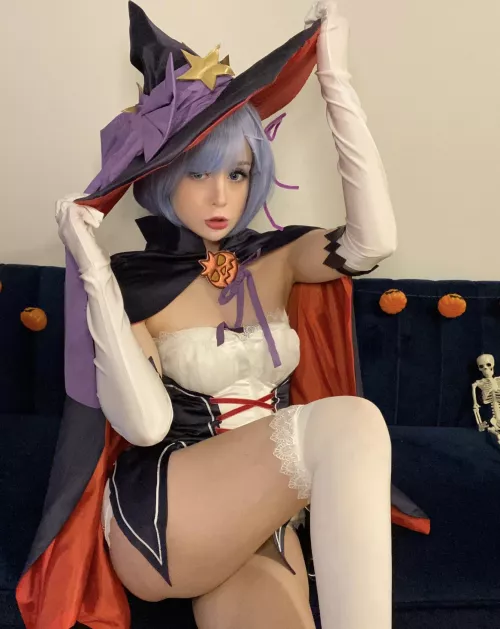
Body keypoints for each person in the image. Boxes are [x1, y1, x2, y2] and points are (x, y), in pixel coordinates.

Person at [17, 2, 408, 628]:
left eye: (238, 172)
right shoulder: (133, 283)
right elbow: (144, 424)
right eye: (198, 172)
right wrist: (92, 270)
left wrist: (334, 77)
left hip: (260, 516)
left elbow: (372, 243)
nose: (221, 195)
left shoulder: (277, 257)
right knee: (353, 422)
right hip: (166, 516)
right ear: (162, 175)